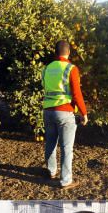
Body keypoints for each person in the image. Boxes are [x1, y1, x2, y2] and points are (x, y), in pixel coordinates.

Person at [42, 40, 88, 190]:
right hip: (65, 112)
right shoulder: (71, 68)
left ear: (55, 52)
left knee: (50, 142)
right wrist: (84, 112)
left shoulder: (46, 68)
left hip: (47, 111)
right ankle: (66, 180)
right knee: (66, 147)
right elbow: (76, 93)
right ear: (68, 52)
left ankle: (51, 171)